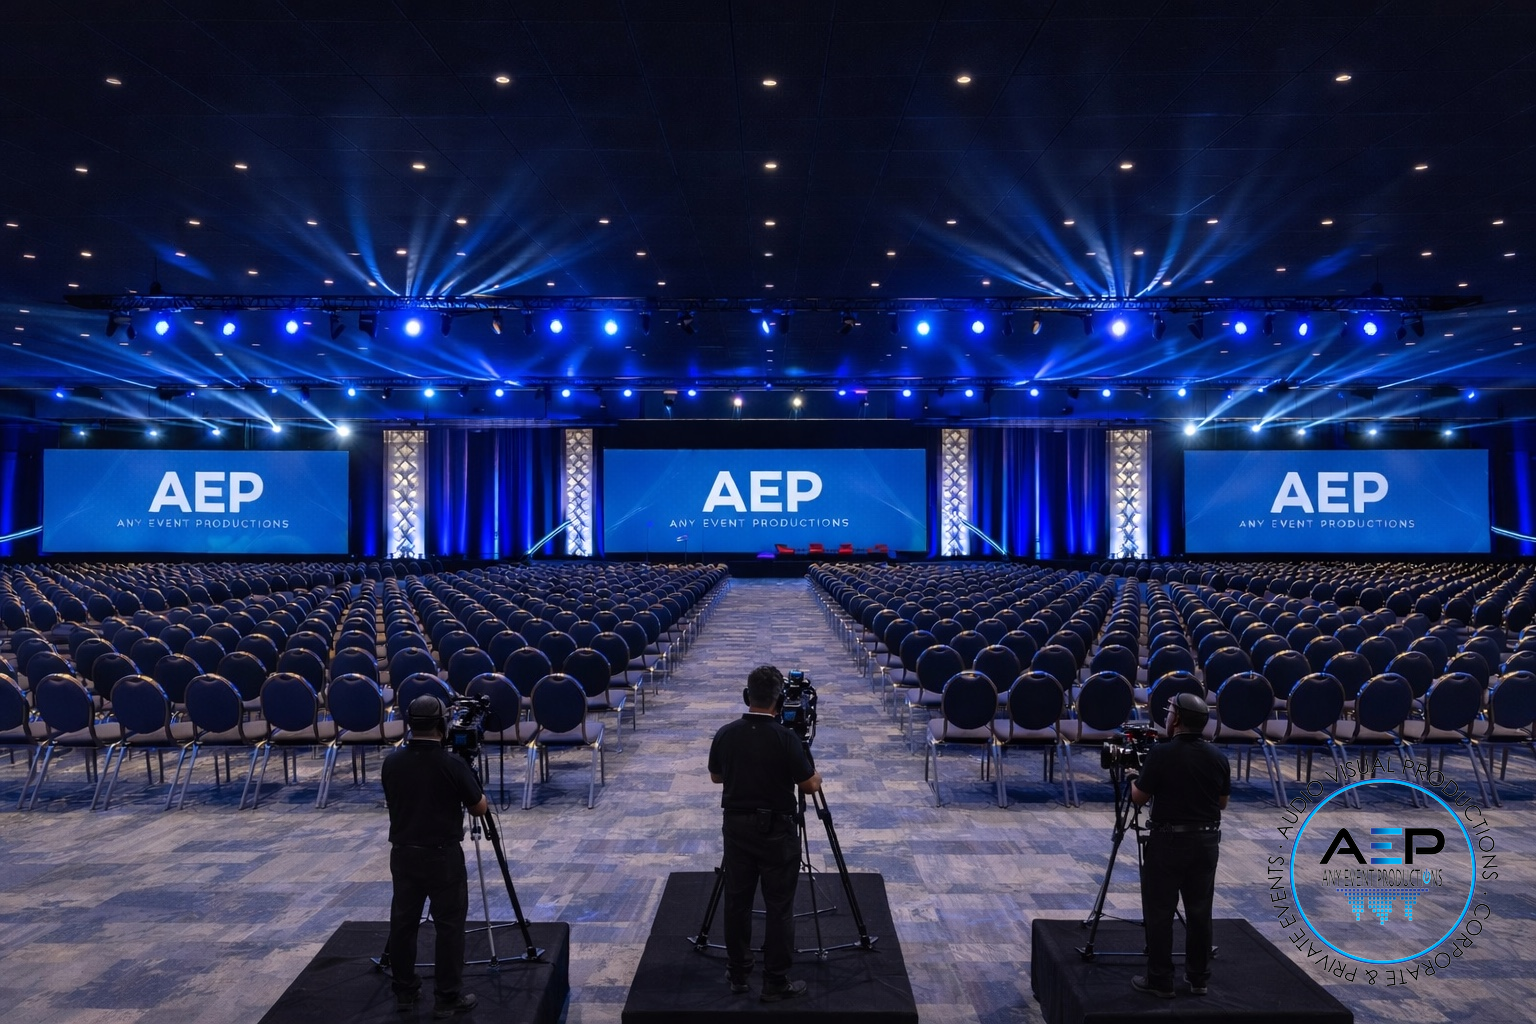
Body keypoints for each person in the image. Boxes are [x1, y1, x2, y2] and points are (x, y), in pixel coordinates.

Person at [708, 665, 823, 1002]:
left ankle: (739, 973)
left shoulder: (726, 733)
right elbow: (807, 784)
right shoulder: (786, 737)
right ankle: (775, 980)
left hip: (737, 828)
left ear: (747, 697)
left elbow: (716, 777)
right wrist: (816, 776)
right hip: (777, 831)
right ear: (778, 701)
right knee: (779, 906)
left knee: (737, 903)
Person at [382, 695, 489, 1018]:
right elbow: (478, 808)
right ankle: (447, 996)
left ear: (409, 725)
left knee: (403, 923)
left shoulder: (392, 761)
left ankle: (404, 990)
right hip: (442, 856)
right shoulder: (452, 764)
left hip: (403, 853)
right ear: (442, 725)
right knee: (449, 926)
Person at [1128, 691, 1230, 998]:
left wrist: (1134, 777)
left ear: (1178, 719)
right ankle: (1198, 978)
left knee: (1160, 910)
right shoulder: (1218, 757)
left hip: (1169, 841)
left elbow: (1139, 797)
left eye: (1170, 711)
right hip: (1207, 840)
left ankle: (1160, 980)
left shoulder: (1161, 753)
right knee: (1200, 910)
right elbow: (1222, 803)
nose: (1167, 715)